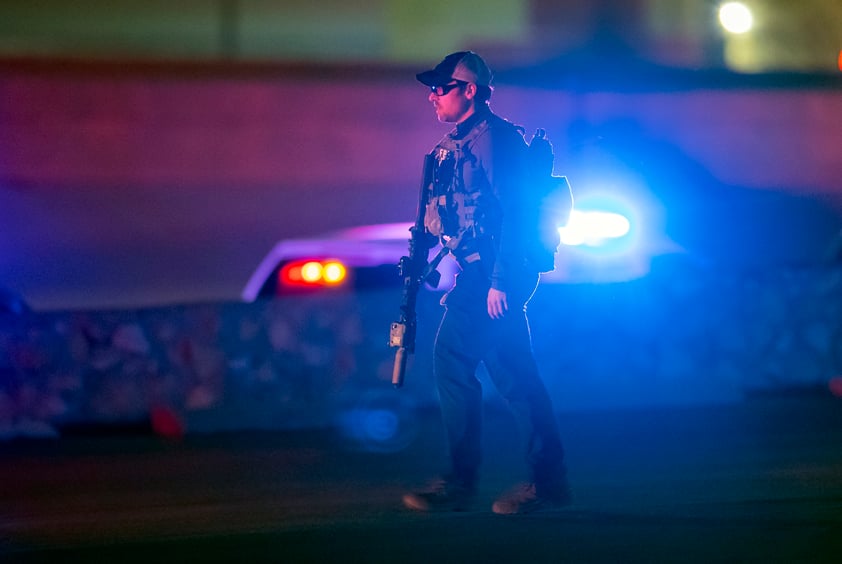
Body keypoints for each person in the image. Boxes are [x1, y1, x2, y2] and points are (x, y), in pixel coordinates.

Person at [401, 51, 571, 515]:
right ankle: (548, 483)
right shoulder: (455, 145)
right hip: (485, 271)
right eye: (432, 89)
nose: (433, 96)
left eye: (443, 88)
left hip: (496, 272)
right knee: (515, 375)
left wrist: (499, 282)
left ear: (469, 90)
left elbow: (515, 213)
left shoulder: (494, 141)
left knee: (451, 360)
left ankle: (460, 481)